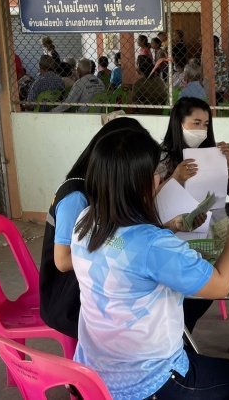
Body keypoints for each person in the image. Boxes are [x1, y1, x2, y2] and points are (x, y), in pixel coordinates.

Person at [69, 126, 229, 400]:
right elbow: (220, 285)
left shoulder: (86, 221)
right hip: (148, 383)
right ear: (143, 183)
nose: (159, 178)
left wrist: (169, 227)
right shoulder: (153, 245)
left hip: (91, 374)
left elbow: (119, 246)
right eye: (157, 173)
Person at [157, 98, 229, 347]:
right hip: (179, 234)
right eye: (195, 123)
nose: (201, 130)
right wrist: (175, 178)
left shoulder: (212, 154)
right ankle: (182, 340)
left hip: (216, 227)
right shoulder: (162, 158)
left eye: (205, 124)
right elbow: (152, 201)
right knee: (198, 286)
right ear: (179, 123)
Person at [40, 117, 148, 339]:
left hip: (89, 284)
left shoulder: (99, 188)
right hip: (67, 300)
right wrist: (116, 249)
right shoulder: (76, 196)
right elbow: (62, 262)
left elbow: (108, 238)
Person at [214, 35, 229, 99]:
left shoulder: (222, 52)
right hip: (212, 78)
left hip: (221, 78)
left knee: (219, 97)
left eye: (215, 41)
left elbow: (226, 65)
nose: (214, 43)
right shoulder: (207, 53)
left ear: (217, 43)